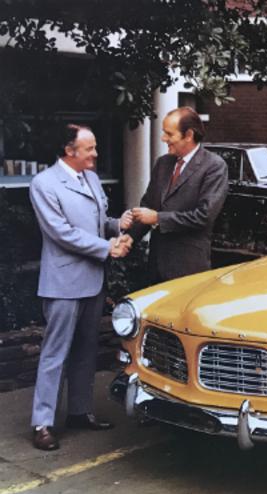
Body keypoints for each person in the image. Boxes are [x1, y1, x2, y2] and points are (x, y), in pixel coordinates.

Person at [28, 124, 134, 451]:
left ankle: (79, 412)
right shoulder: (44, 184)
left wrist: (117, 226)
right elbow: (61, 233)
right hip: (63, 282)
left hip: (92, 279)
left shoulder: (89, 178)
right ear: (69, 150)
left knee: (86, 349)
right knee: (55, 353)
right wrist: (107, 248)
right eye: (89, 148)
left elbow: (96, 223)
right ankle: (42, 423)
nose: (95, 154)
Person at [128, 107, 228, 284]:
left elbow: (203, 216)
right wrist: (129, 238)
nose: (163, 138)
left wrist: (158, 218)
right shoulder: (163, 163)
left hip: (188, 269)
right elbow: (148, 206)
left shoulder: (214, 167)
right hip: (156, 266)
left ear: (188, 135)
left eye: (169, 134)